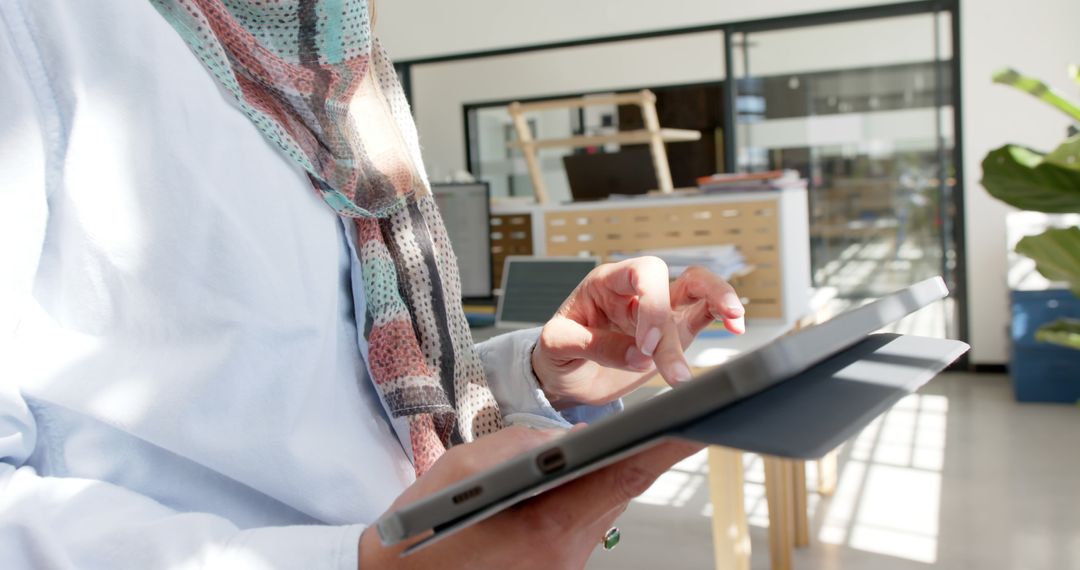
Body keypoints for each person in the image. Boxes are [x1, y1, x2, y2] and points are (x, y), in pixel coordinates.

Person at [0, 1, 745, 568]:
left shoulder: (346, 71)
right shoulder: (43, 28)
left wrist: (542, 376)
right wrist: (356, 561)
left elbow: (345, 399)